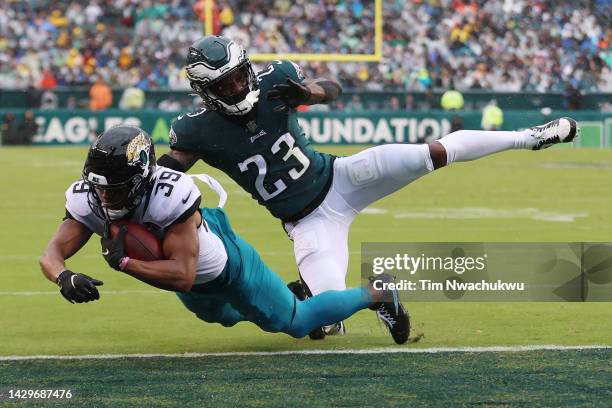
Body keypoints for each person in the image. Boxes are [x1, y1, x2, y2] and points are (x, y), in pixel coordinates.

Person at [156, 35, 580, 338]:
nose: (237, 87)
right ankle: (378, 294)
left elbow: (332, 89)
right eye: (224, 84)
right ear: (204, 91)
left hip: (342, 177)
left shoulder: (274, 80)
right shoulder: (196, 130)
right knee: (323, 320)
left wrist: (311, 92)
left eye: (238, 76)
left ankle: (531, 136)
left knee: (431, 153)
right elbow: (167, 174)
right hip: (306, 224)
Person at [38, 126, 410, 344]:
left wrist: (125, 262)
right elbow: (52, 252)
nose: (105, 196)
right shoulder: (91, 196)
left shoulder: (170, 195)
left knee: (296, 323)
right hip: (198, 282)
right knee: (225, 317)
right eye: (100, 187)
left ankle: (377, 293)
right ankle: (295, 292)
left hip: (226, 264)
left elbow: (183, 274)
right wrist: (63, 275)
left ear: (142, 178)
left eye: (116, 188)